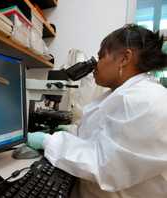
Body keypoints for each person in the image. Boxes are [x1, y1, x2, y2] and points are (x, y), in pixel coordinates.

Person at [27, 24, 167, 198]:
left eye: (100, 57)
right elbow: (101, 137)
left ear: (124, 58)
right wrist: (72, 132)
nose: (95, 65)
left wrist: (48, 141)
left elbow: (104, 166)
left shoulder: (143, 99)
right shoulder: (124, 92)